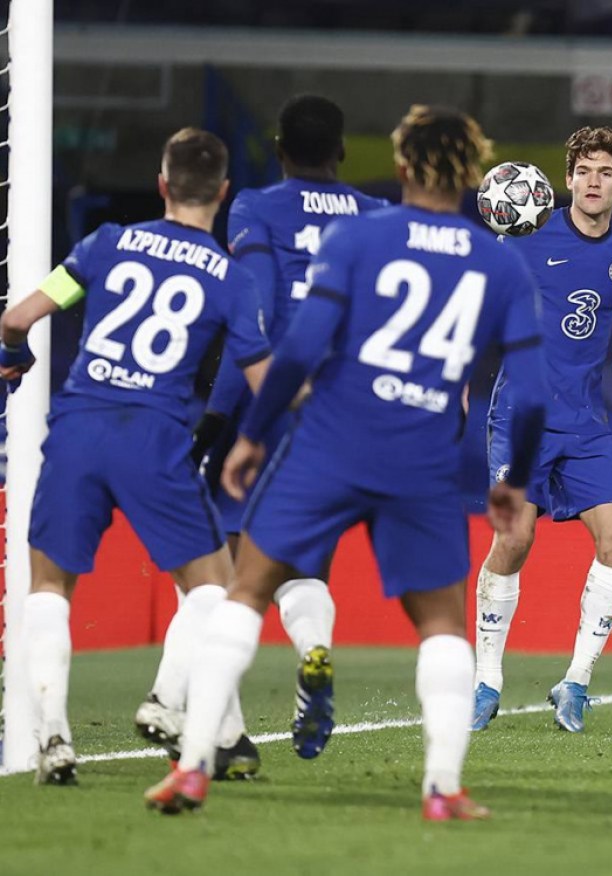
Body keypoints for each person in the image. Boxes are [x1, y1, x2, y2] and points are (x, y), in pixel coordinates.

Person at [144, 105, 547, 822]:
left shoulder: (358, 237)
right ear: (471, 173)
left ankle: (193, 768)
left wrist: (251, 436)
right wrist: (512, 482)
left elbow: (299, 347)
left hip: (328, 442)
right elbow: (532, 393)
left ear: (399, 167)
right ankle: (443, 788)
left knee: (247, 591)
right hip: (421, 459)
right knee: (441, 626)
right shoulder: (499, 262)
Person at [0, 129, 270, 784]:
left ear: (162, 184)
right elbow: (265, 384)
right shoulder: (233, 282)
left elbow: (15, 318)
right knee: (211, 586)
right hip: (155, 438)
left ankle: (54, 741)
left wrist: (16, 360)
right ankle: (180, 715)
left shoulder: (105, 244)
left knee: (50, 587)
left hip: (78, 427)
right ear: (224, 194)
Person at [191, 94, 390, 761]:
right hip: (350, 412)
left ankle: (215, 732)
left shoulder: (254, 207)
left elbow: (252, 316)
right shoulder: (378, 217)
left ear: (278, 150)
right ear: (341, 152)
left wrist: (218, 417)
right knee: (306, 563)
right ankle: (314, 652)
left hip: (270, 400)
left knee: (230, 575)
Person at [471, 126, 612, 734]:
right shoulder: (524, 236)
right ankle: (485, 681)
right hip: (520, 419)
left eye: (606, 172)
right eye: (584, 170)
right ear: (568, 178)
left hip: (585, 424)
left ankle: (575, 682)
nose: (593, 181)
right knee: (516, 536)